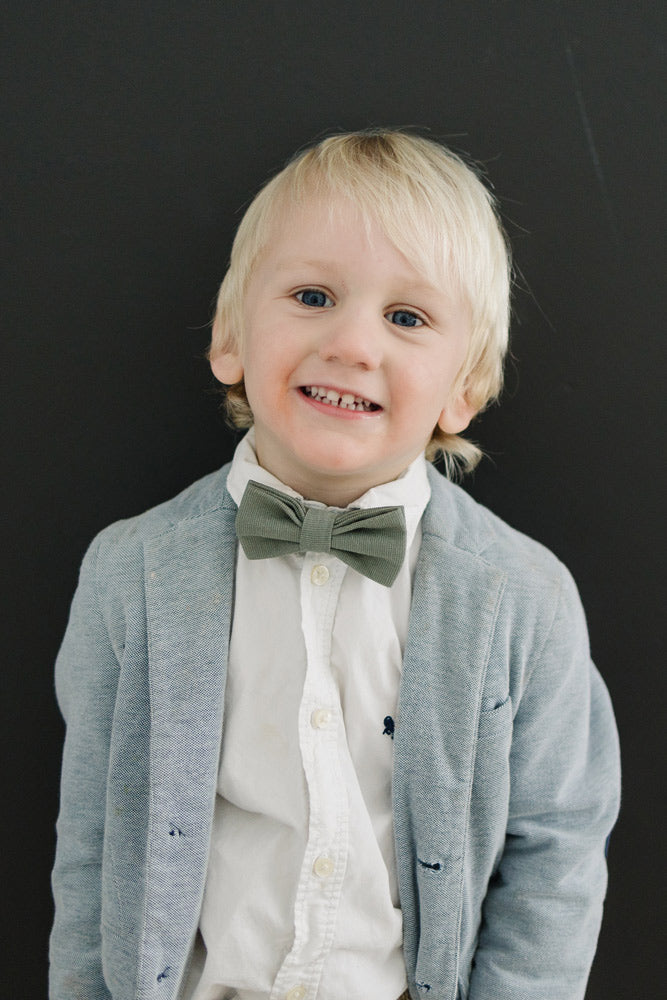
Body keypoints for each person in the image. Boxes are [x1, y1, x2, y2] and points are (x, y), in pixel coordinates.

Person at [50, 130, 621, 1000]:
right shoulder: (128, 574)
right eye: (312, 296)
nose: (353, 343)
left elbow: (557, 851)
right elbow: (94, 840)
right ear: (230, 338)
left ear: (463, 389)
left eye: (406, 318)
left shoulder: (524, 599)